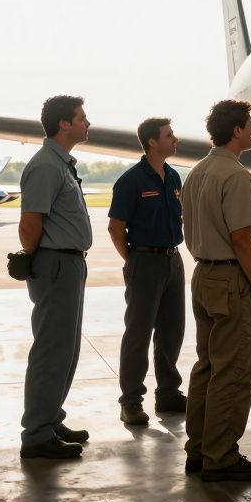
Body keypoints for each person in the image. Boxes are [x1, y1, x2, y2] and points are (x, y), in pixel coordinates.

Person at [181, 100, 251, 482]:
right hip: (232, 280)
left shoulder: (197, 172)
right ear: (236, 131)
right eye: (249, 125)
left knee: (207, 366)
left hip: (203, 275)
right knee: (232, 370)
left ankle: (199, 450)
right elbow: (242, 239)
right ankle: (221, 456)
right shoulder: (236, 176)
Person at [18, 95, 93, 459]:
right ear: (64, 124)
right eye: (82, 117)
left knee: (67, 349)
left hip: (68, 264)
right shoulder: (46, 166)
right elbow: (30, 223)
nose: (87, 123)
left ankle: (49, 419)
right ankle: (36, 434)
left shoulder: (61, 163)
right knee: (52, 349)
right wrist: (33, 260)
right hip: (55, 264)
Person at [107, 117, 186, 426]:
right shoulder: (131, 181)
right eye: (169, 135)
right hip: (145, 261)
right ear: (153, 142)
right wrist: (134, 260)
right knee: (139, 333)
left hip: (173, 260)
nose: (175, 139)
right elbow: (116, 228)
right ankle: (131, 401)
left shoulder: (174, 177)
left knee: (172, 331)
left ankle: (167, 394)